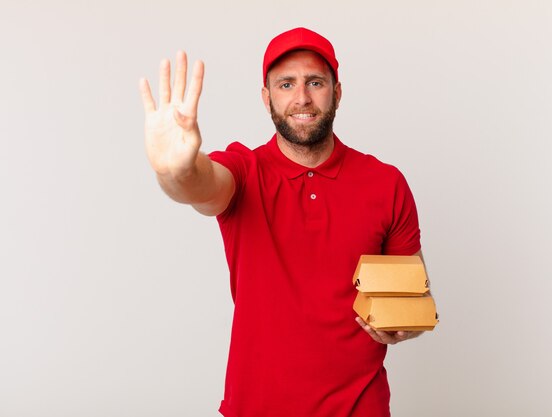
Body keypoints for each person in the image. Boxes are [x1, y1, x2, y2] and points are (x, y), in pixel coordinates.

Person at [139, 27, 432, 417]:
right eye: (286, 84)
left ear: (337, 92)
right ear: (267, 98)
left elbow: (413, 298)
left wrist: (405, 325)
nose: (302, 98)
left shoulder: (385, 183)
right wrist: (176, 171)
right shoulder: (244, 170)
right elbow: (203, 186)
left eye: (315, 82)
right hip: (257, 407)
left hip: (361, 407)